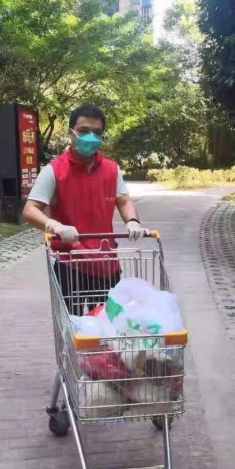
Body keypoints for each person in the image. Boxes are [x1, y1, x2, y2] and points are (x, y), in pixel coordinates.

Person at [23, 104, 148, 314]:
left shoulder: (111, 169)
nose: (90, 137)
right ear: (70, 133)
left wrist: (133, 221)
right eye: (83, 131)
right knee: (71, 327)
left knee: (108, 326)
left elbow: (124, 200)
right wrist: (55, 226)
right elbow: (30, 210)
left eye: (96, 133)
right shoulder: (54, 171)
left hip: (106, 264)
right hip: (70, 264)